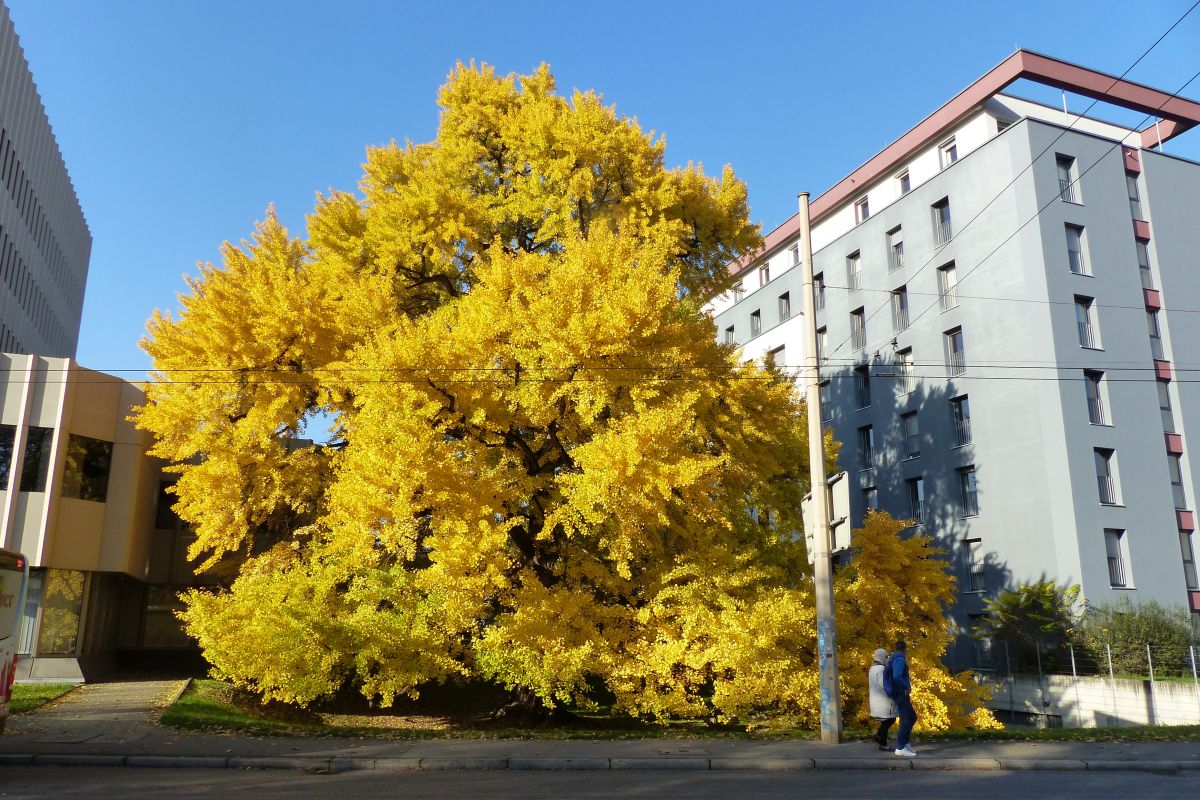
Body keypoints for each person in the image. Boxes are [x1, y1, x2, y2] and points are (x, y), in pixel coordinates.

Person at [891, 640, 918, 757]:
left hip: (900, 693)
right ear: (905, 650)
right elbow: (896, 676)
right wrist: (906, 686)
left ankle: (905, 743)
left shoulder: (894, 658)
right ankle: (900, 747)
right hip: (901, 694)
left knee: (911, 717)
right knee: (907, 718)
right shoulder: (900, 660)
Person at [867, 647, 897, 751]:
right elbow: (883, 684)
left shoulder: (872, 668)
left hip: (875, 698)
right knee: (890, 719)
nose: (887, 659)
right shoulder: (881, 669)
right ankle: (880, 739)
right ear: (882, 657)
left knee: (886, 721)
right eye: (886, 657)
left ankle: (881, 740)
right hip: (883, 699)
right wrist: (892, 691)